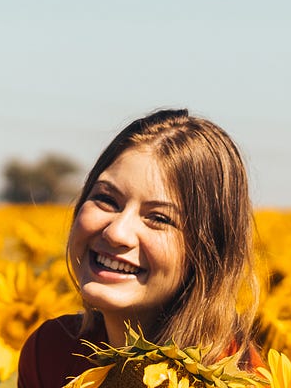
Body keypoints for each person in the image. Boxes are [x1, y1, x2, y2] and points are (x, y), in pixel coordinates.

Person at [17, 109, 262, 388]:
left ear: (207, 255)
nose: (116, 232)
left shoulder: (236, 379)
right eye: (106, 199)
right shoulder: (52, 354)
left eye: (158, 218)